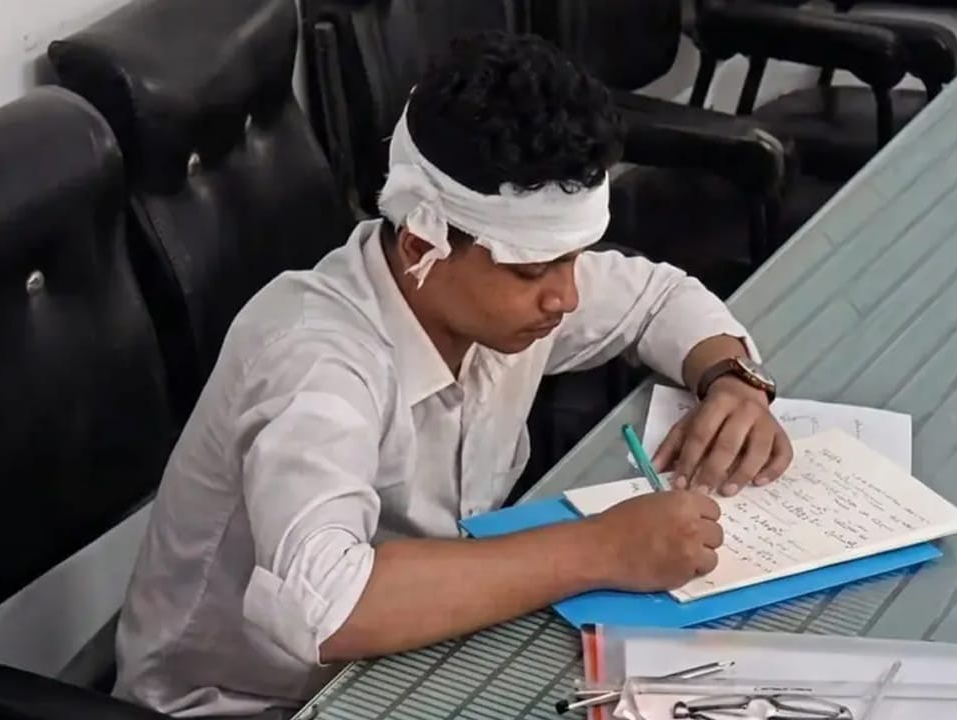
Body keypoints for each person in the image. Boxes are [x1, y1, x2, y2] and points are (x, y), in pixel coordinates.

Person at [112, 31, 791, 718]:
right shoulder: (314, 360)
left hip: (414, 658)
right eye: (534, 270)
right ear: (421, 245)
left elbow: (658, 299)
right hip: (250, 704)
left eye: (574, 258)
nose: (566, 297)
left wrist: (732, 380)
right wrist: (604, 548)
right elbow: (329, 605)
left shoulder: (498, 298)